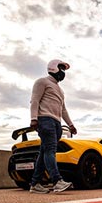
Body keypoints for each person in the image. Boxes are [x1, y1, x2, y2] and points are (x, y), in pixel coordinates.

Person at [28, 59, 76, 194]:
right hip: (45, 120)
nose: (63, 73)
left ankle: (35, 183)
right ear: (54, 68)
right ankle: (57, 181)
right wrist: (33, 119)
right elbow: (34, 100)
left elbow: (64, 110)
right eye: (62, 69)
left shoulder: (60, 90)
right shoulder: (42, 82)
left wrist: (71, 125)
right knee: (50, 151)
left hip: (57, 123)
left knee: (44, 152)